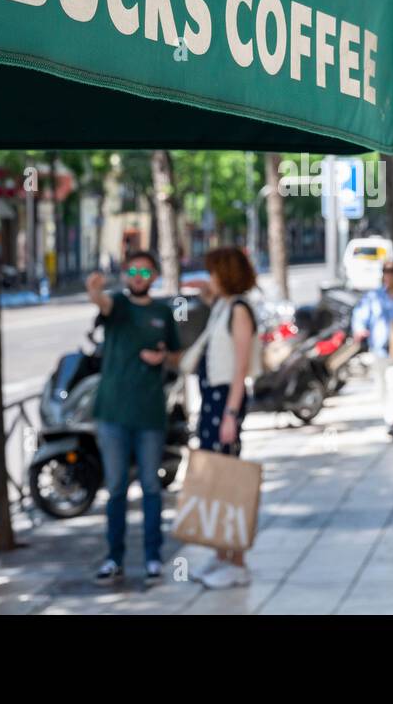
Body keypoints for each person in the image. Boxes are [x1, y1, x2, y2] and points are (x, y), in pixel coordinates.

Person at [85, 252, 182, 585]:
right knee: (115, 489)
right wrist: (94, 290)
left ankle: (154, 557)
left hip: (150, 414)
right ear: (125, 275)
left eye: (144, 270)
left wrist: (163, 357)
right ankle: (114, 557)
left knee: (151, 488)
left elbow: (177, 356)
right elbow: (101, 303)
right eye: (132, 271)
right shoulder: (118, 306)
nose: (138, 276)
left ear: (154, 275)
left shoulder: (163, 312)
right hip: (112, 413)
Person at [182, 246, 261, 590]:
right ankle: (221, 556)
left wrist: (230, 413)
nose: (210, 278)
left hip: (225, 401)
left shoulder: (239, 310)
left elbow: (240, 367)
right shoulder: (223, 306)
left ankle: (237, 560)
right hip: (213, 400)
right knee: (216, 478)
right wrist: (204, 289)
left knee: (228, 480)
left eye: (215, 272)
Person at [352, 260, 393, 439]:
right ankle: (390, 419)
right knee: (382, 387)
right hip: (379, 349)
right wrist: (359, 329)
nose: (390, 275)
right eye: (387, 271)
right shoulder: (374, 296)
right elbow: (360, 315)